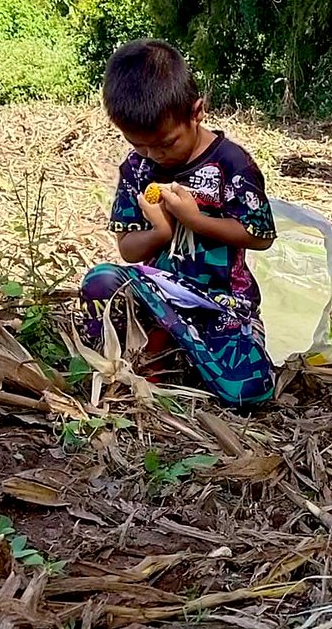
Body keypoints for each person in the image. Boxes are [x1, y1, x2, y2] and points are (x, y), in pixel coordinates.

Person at [80, 39, 277, 408]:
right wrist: (161, 232)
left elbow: (259, 235)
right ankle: (133, 359)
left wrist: (194, 219)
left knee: (251, 392)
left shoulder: (231, 164)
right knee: (99, 282)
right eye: (139, 144)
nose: (154, 155)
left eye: (166, 143)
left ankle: (188, 354)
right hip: (156, 295)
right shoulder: (136, 169)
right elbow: (126, 248)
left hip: (219, 305)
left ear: (197, 111)